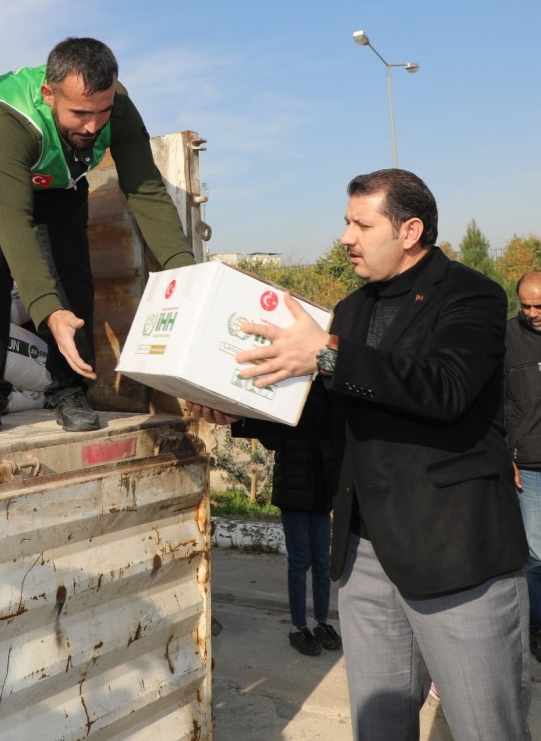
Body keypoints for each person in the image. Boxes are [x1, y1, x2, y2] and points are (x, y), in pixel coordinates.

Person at [190, 169, 529, 741]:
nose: (345, 236)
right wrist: (240, 412)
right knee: (378, 727)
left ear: (409, 230)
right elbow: (325, 418)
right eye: (346, 221)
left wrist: (325, 356)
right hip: (364, 555)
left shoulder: (472, 294)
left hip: (452, 552)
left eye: (360, 223)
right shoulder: (347, 311)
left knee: (484, 727)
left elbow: (443, 388)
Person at [0, 37, 194, 434]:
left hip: (57, 179)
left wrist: (188, 275)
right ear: (48, 93)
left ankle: (69, 390)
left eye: (102, 112)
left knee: (73, 269)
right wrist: (47, 309)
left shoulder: (119, 109)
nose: (93, 125)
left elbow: (145, 191)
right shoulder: (11, 118)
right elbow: (13, 224)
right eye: (79, 113)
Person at [257, 432, 342, 656]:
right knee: (300, 562)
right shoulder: (290, 408)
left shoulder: (324, 406)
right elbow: (269, 438)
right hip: (293, 497)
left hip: (321, 498)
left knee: (323, 563)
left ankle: (321, 622)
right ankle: (298, 626)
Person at [508, 270, 541, 661]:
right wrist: (506, 452)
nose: (532, 313)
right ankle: (533, 627)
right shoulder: (508, 338)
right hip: (529, 465)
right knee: (536, 555)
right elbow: (495, 401)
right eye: (526, 306)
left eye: (539, 306)